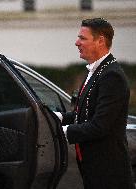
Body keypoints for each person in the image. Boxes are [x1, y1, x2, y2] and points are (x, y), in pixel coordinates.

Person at [55, 18, 135, 189]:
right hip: (94, 169)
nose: (77, 43)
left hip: (109, 173)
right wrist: (57, 118)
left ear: (100, 41)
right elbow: (85, 114)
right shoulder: (97, 70)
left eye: (83, 38)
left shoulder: (112, 76)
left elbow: (99, 125)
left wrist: (59, 131)